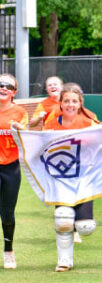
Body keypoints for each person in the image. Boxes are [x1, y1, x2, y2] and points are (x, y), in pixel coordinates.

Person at [43, 83, 99, 272]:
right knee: (63, 218)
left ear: (80, 103)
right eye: (66, 100)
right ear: (60, 103)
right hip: (61, 179)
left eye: (74, 101)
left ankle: (79, 224)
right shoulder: (52, 123)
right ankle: (64, 261)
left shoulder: (89, 122)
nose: (70, 104)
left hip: (83, 179)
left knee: (86, 227)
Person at [0, 74, 28, 269]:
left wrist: (20, 130)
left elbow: (26, 136)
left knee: (7, 213)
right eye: (0, 84)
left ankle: (8, 250)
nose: (3, 87)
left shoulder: (19, 112)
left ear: (14, 92)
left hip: (11, 167)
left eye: (8, 86)